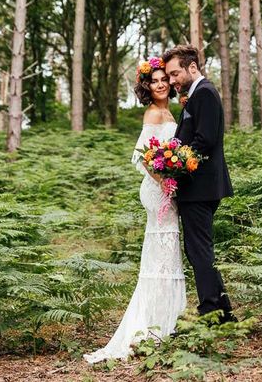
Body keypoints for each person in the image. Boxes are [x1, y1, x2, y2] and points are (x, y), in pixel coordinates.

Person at [83, 58, 186, 363]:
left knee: (169, 256)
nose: (161, 84)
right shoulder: (153, 113)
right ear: (147, 86)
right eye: (154, 81)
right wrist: (165, 182)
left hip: (169, 186)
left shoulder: (171, 110)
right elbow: (145, 156)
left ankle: (168, 323)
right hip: (158, 190)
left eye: (163, 79)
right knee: (161, 258)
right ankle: (151, 329)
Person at [162, 44, 236, 323]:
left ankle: (210, 311)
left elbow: (204, 141)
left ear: (192, 67)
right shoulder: (195, 96)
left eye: (174, 74)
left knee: (199, 250)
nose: (172, 81)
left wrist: (173, 165)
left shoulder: (204, 93)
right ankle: (223, 311)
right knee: (200, 250)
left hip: (200, 187)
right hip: (198, 187)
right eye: (169, 76)